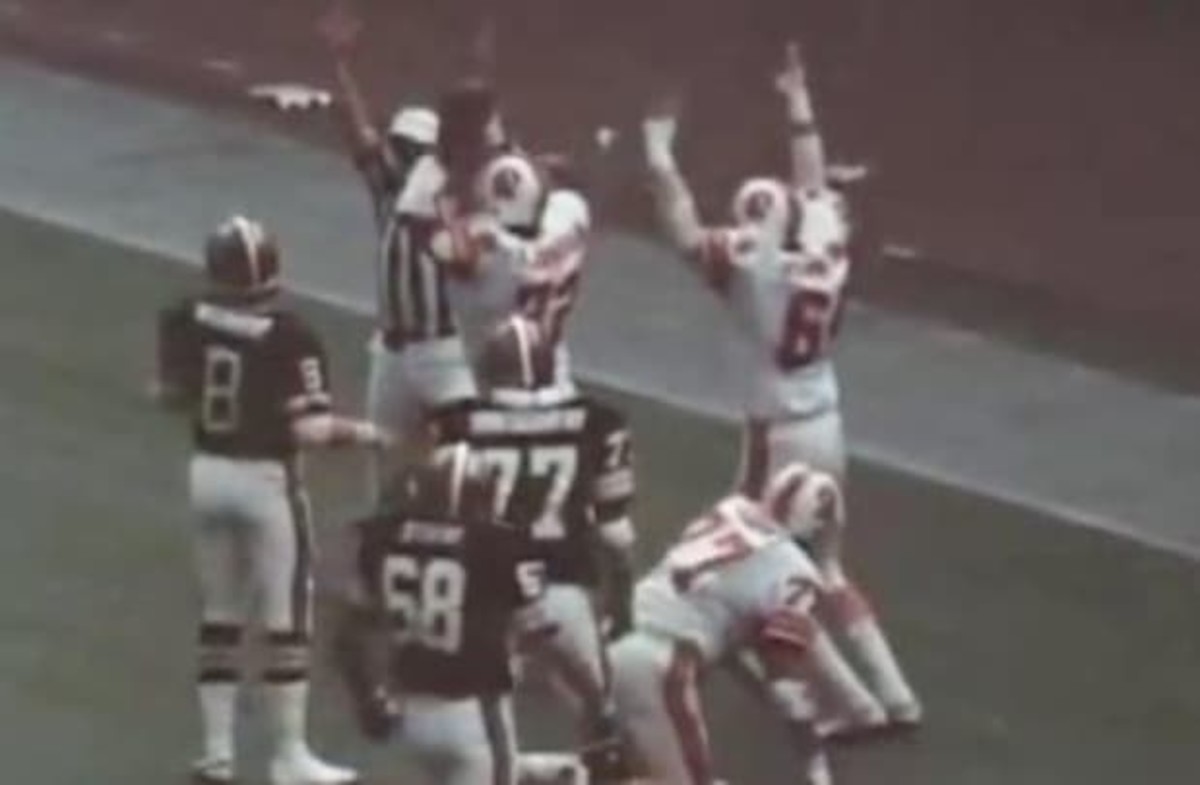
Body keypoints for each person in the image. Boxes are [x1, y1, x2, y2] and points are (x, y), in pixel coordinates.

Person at [153, 215, 387, 785]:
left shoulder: (184, 319)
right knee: (286, 620)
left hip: (207, 472)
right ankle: (288, 756)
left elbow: (167, 395)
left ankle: (217, 753)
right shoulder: (291, 337)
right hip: (265, 484)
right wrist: (368, 434)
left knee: (220, 615)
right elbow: (308, 431)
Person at [332, 445, 613, 785]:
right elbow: (541, 631)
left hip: (410, 713)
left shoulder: (383, 537)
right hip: (475, 713)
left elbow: (348, 635)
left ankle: (561, 775)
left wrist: (369, 698)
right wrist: (595, 698)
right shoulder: (499, 545)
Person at [642, 42, 849, 495]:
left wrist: (660, 156)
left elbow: (685, 232)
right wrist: (798, 99)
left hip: (775, 434)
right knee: (816, 554)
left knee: (742, 549)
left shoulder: (753, 268)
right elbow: (812, 183)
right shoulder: (826, 244)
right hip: (826, 423)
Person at [429, 315, 635, 752]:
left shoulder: (459, 423)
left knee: (490, 725)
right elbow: (617, 536)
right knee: (604, 712)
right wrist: (622, 600)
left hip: (488, 594)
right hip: (563, 591)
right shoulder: (597, 423)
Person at [608, 493, 880, 785]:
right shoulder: (797, 575)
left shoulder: (731, 510)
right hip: (659, 664)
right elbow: (784, 684)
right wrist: (817, 765)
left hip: (607, 635)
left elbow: (715, 617)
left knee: (628, 766)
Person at [432, 151, 590, 388]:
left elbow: (451, 251)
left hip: (496, 381)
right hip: (555, 379)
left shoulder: (492, 248)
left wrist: (451, 214)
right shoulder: (572, 215)